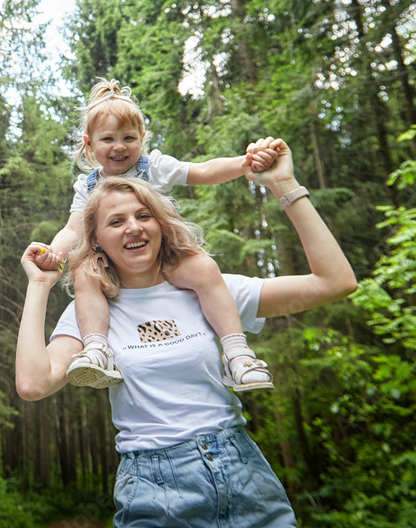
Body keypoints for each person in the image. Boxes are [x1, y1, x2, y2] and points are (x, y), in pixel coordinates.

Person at [16, 138, 357, 527]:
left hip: (245, 472)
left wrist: (285, 186)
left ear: (160, 223)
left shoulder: (208, 290)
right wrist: (39, 286)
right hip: (155, 488)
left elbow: (334, 282)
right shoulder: (92, 314)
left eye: (143, 215)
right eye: (115, 221)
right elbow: (33, 383)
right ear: (96, 242)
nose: (133, 227)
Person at [35, 79, 275, 391]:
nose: (119, 146)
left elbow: (204, 171)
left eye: (129, 138)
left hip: (167, 256)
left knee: (204, 268)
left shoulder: (156, 167)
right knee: (84, 275)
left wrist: (245, 164)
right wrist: (53, 255)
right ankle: (96, 349)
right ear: (89, 145)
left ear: (143, 139)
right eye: (108, 138)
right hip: (114, 264)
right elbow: (72, 229)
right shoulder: (88, 185)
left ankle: (237, 353)